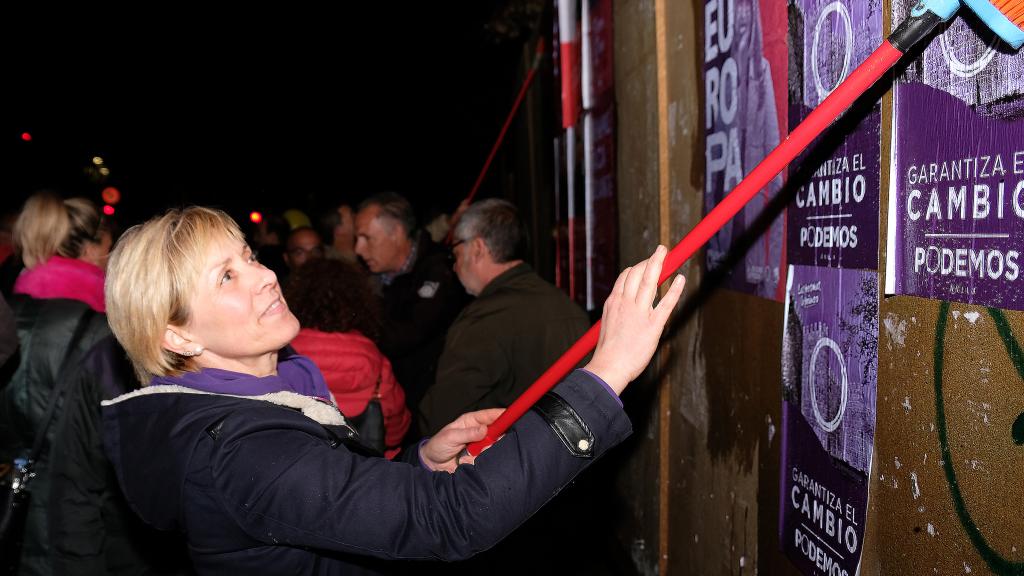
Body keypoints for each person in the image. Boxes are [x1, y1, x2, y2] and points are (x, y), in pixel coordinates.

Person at [100, 206, 684, 575]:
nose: (265, 275)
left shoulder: (269, 396)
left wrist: (419, 462)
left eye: (249, 257)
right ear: (175, 333)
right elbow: (450, 522)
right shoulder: (242, 449)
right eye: (226, 276)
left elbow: (328, 511)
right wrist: (604, 375)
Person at [0, 192, 112, 576]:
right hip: (80, 511)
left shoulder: (12, 306)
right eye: (107, 248)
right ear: (91, 247)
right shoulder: (100, 325)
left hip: (14, 488)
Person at [418, 199, 590, 435]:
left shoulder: (483, 320)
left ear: (477, 248)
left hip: (509, 465)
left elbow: (441, 423)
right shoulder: (567, 307)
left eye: (455, 254)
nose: (454, 267)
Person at [354, 192, 464, 426]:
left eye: (367, 238)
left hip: (429, 416)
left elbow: (407, 334)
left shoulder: (439, 271)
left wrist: (356, 320)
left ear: (396, 233)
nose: (359, 249)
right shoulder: (369, 278)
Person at [285, 258, 410, 458]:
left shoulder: (283, 352)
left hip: (298, 462)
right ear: (359, 300)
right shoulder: (374, 358)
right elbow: (396, 429)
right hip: (361, 471)